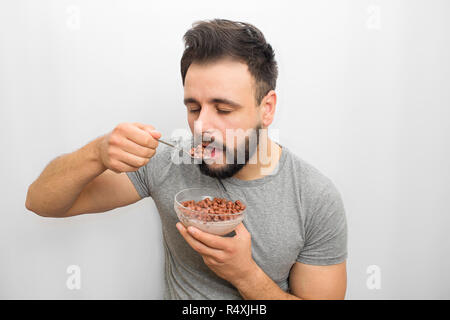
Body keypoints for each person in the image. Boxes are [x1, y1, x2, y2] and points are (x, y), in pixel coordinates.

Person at [26, 19, 348, 300]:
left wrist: (246, 276)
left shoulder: (314, 198)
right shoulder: (167, 162)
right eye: (193, 108)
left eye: (223, 109)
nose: (202, 126)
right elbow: (41, 201)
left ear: (267, 108)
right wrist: (97, 153)